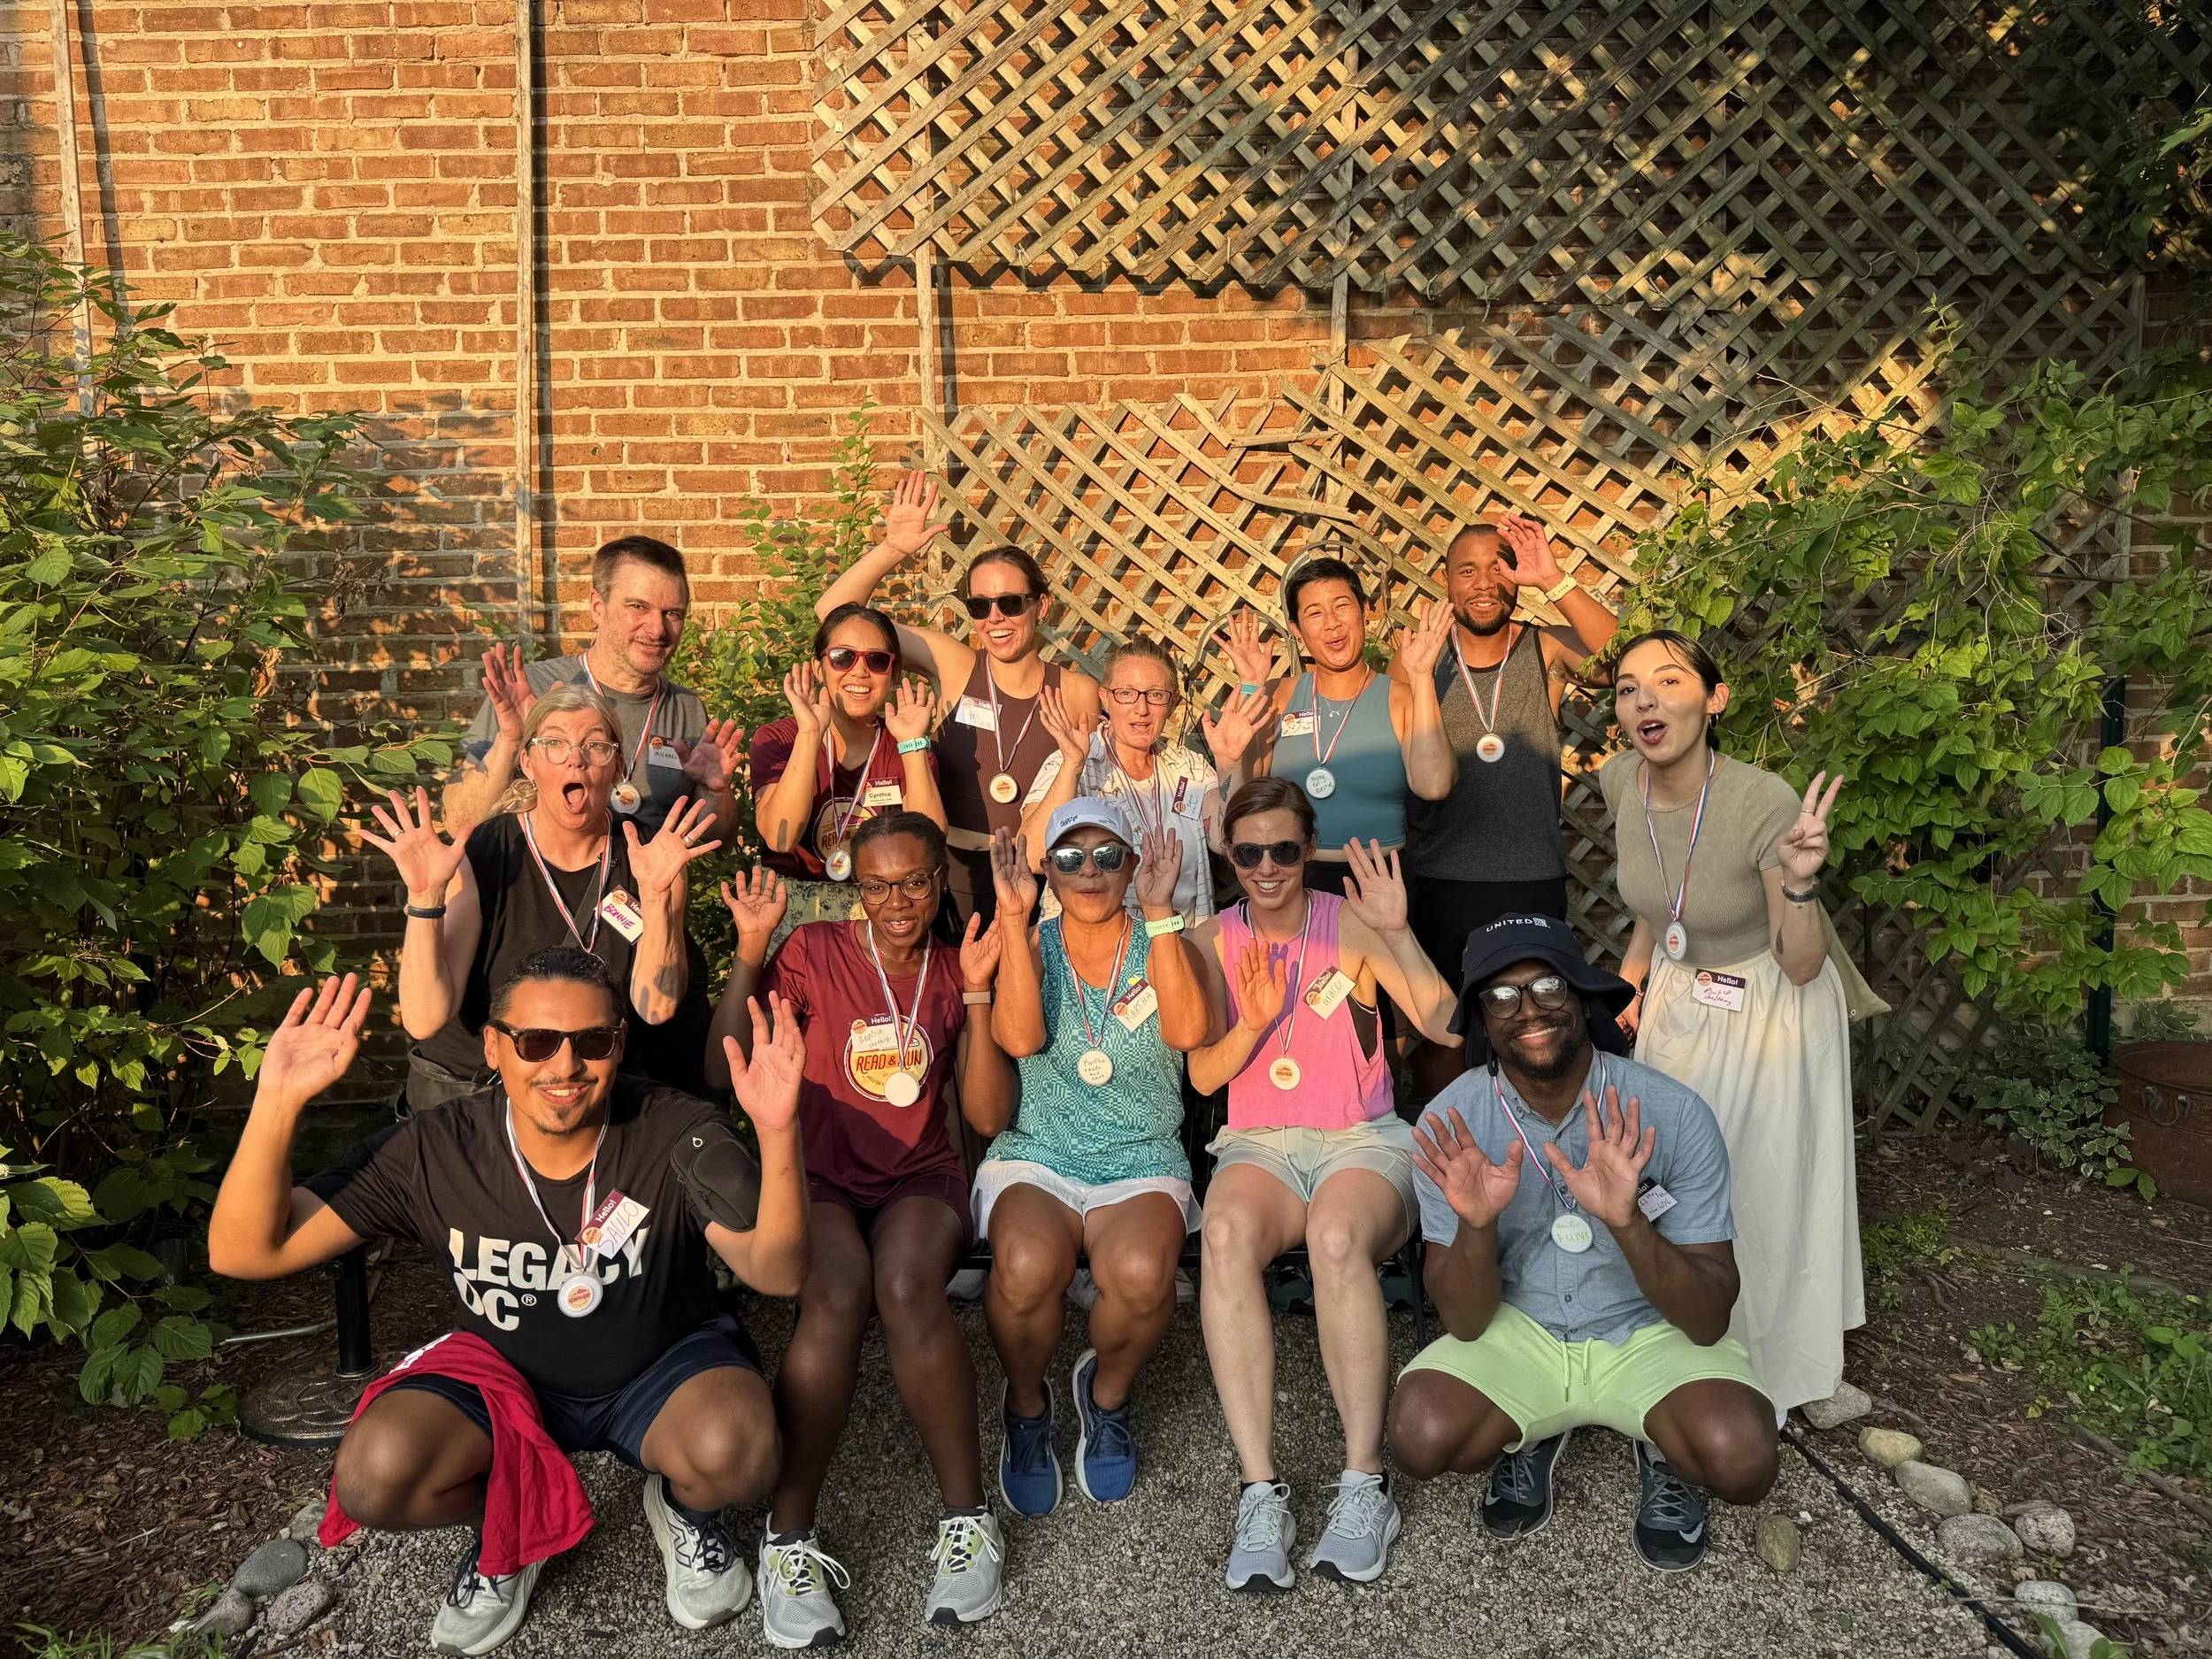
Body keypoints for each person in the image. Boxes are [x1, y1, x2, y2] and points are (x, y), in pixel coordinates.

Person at [208, 949, 809, 1655]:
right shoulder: (435, 1150)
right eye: (535, 1041)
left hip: (660, 1364)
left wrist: (777, 1131)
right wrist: (277, 1099)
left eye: (592, 1040)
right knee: (375, 1475)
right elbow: (244, 1251)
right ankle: (511, 1523)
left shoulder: (674, 1130)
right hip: (505, 1378)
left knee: (740, 1450)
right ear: (494, 1045)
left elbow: (778, 1271)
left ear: (619, 1041)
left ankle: (683, 1506)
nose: (564, 1065)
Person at [1386, 913, 1778, 1571]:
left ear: (1581, 996)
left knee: (1742, 1460)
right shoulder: (1450, 1122)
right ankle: (1533, 1427)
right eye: (1502, 995)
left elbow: (1709, 1320)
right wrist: (1477, 1223)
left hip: (1647, 1333)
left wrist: (1628, 1220)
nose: (1529, 1008)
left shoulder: (1672, 1113)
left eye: (1547, 985)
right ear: (1482, 1016)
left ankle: (1661, 1448)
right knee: (1420, 1436)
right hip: (1523, 1329)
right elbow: (1465, 1320)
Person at [706, 811, 1016, 1645]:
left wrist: (981, 997)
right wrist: (749, 951)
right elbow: (721, 1063)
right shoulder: (815, 954)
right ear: (856, 889)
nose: (897, 900)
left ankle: (967, 1518)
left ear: (935, 881)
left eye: (914, 880)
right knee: (837, 1291)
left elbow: (988, 1112)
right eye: (876, 884)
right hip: (821, 1178)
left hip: (922, 1175)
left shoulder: (956, 968)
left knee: (908, 1284)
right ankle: (789, 1537)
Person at [1187, 777, 1462, 1591]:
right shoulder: (1210, 939)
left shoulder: (1351, 925)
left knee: (1337, 1236)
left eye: (1283, 849)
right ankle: (1260, 1489)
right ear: (1227, 855)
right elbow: (1204, 1075)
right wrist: (1252, 1020)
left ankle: (1364, 1480)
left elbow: (1445, 1020)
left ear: (1309, 849)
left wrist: (1399, 931)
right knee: (1226, 1234)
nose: (1267, 867)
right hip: (1262, 1142)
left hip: (1361, 1136)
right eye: (1248, 851)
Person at [1601, 629, 1863, 1417]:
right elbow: (1659, 908)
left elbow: (1803, 960)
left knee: (1758, 1183)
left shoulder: (1762, 799)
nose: (1646, 697)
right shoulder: (1621, 781)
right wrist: (1630, 981)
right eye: (1627, 687)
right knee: (1670, 1183)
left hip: (1768, 1003)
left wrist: (1803, 880)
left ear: (1714, 700)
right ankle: (1679, 1353)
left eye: (1670, 681)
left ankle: (1768, 1363)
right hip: (1680, 1000)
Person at [974, 800, 1210, 1514]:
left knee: (1143, 1277)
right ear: (1047, 868)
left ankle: (1104, 1394)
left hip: (1140, 1154)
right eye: (1070, 858)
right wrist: (1013, 923)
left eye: (1109, 856)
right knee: (1023, 1267)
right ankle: (1025, 1406)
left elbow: (1190, 1029)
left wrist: (1163, 913)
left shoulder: (1165, 937)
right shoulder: (1034, 939)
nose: (1090, 872)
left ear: (1133, 867)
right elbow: (1016, 1039)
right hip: (1041, 1151)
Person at [364, 684, 723, 1110]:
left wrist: (658, 896)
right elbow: (423, 1019)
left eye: (596, 745)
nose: (576, 757)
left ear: (618, 766)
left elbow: (656, 1007)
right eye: (554, 743)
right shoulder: (482, 855)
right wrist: (424, 899)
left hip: (581, 1095)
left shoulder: (652, 858)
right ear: (527, 763)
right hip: (478, 1098)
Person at [814, 472, 1102, 930]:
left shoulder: (1076, 690)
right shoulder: (956, 665)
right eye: (979, 606)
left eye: (1010, 603)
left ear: (1041, 607)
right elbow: (835, 617)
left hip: (1037, 878)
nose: (995, 619)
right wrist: (893, 549)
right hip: (947, 877)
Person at [1396, 515, 1619, 1099]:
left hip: (1530, 877)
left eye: (1498, 567)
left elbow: (1628, 663)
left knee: (1538, 1030)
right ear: (1445, 582)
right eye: (1467, 570)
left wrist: (1557, 581)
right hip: (1443, 880)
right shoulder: (1420, 660)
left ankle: (1541, 1157)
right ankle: (1448, 1156)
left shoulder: (1543, 646)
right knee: (1447, 1037)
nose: (1484, 583)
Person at [445, 534, 742, 843]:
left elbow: (717, 837)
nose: (657, 629)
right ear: (598, 607)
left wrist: (713, 791)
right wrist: (510, 742)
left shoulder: (687, 708)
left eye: (672, 613)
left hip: (646, 890)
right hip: (538, 889)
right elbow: (459, 823)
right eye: (638, 606)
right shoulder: (532, 689)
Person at [1213, 557, 1457, 897]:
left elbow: (1435, 785)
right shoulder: (1276, 696)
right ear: (1297, 629)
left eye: (1342, 606)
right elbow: (1244, 792)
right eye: (1314, 613)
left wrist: (1420, 677)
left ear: (1366, 611)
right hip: (1293, 881)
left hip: (1381, 881)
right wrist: (1251, 685)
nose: (1332, 624)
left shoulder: (1401, 698)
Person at [747, 603, 946, 941]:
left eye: (877, 660)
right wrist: (810, 734)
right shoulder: (779, 738)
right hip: (792, 909)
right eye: (843, 657)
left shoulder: (904, 746)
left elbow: (929, 845)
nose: (859, 672)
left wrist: (912, 745)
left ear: (894, 674)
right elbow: (780, 838)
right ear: (819, 667)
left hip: (881, 910)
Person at [1018, 636, 1227, 924]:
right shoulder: (1073, 761)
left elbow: (1225, 839)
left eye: (1155, 694)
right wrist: (1072, 766)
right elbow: (1031, 856)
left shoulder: (1190, 767)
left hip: (1183, 946)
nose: (1141, 709)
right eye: (1126, 693)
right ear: (1105, 698)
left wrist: (1231, 764)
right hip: (1096, 955)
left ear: (1173, 702)